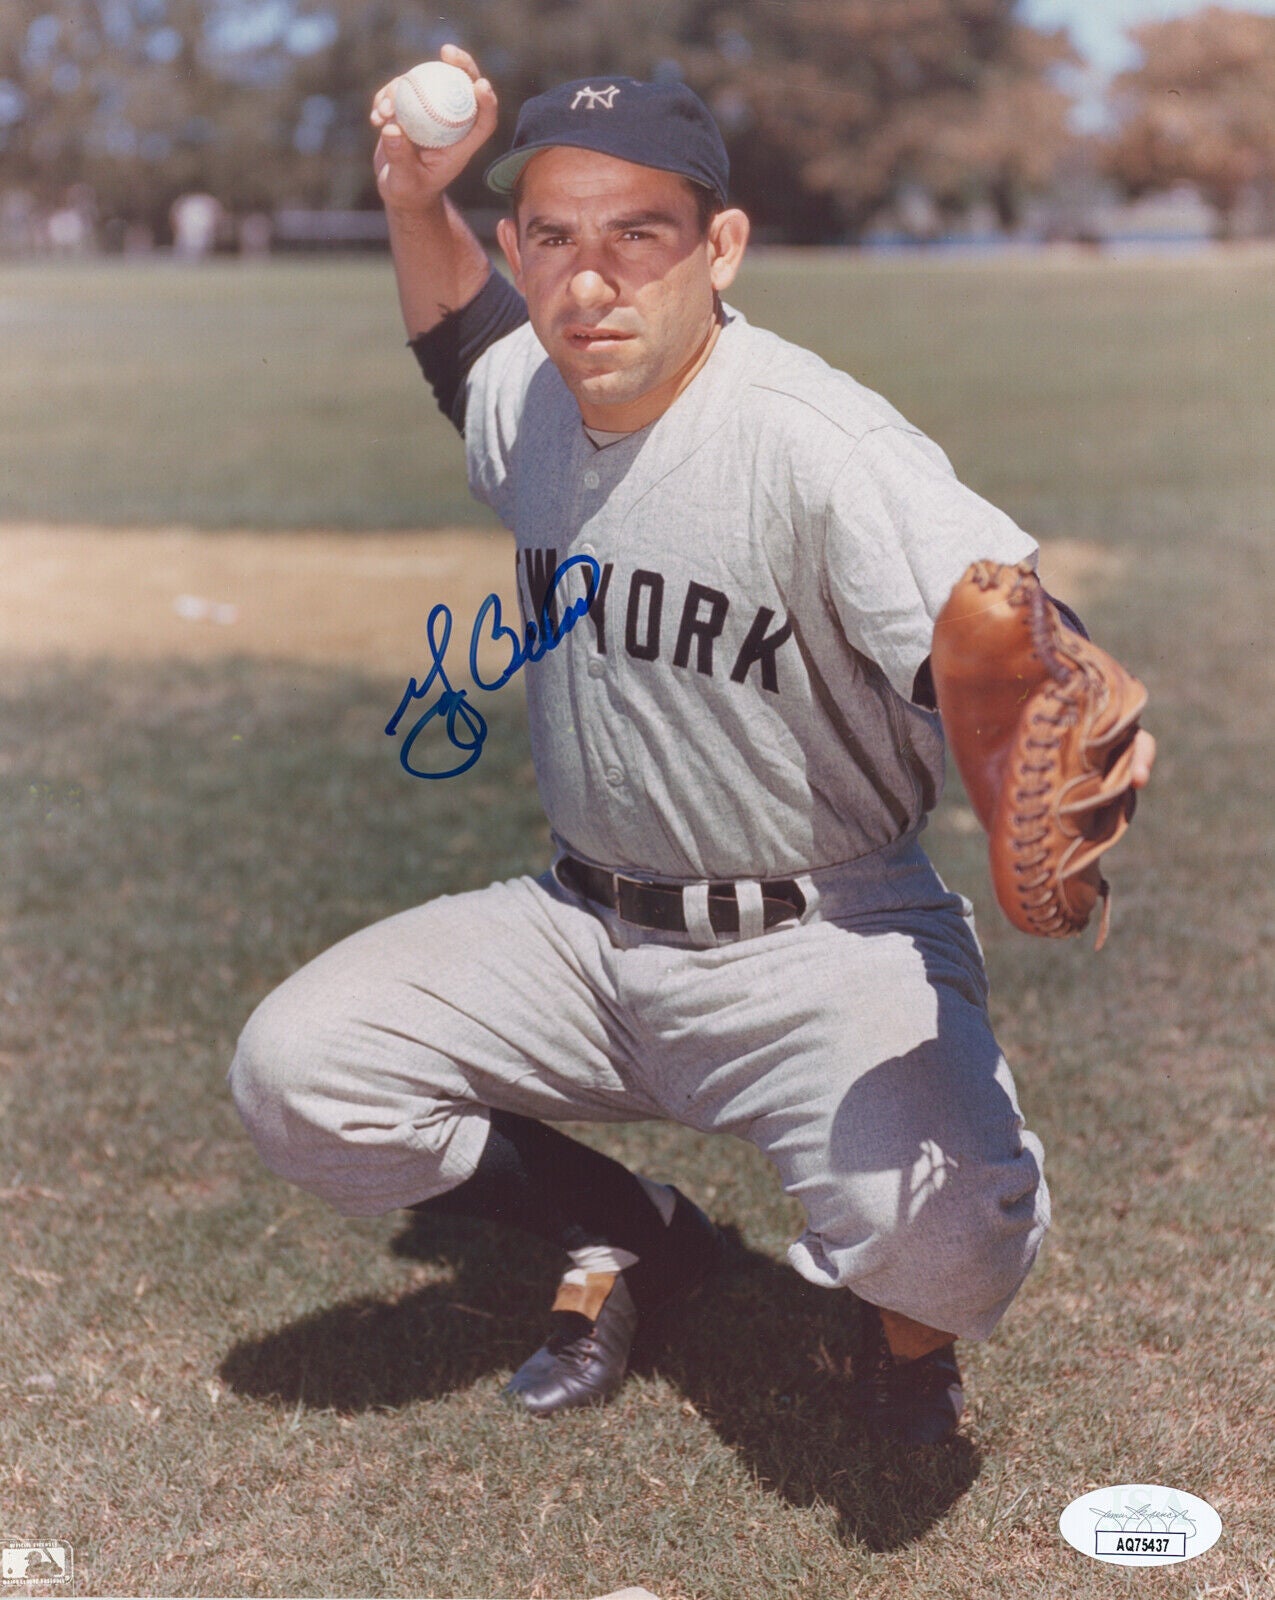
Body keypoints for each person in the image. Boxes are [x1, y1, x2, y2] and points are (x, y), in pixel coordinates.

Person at [229, 46, 1155, 1445]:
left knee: (953, 1243)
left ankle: (903, 1340)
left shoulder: (811, 436)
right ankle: (630, 1228)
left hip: (822, 937)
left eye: (638, 235)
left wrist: (1038, 692)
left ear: (721, 247)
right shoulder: (542, 391)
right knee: (299, 1071)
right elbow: (460, 357)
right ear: (518, 249)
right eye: (554, 236)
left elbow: (1008, 633)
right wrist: (414, 201)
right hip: (582, 932)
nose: (590, 281)